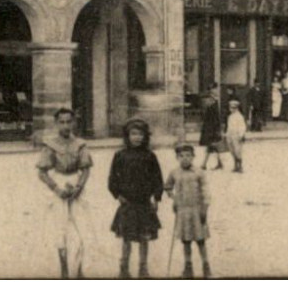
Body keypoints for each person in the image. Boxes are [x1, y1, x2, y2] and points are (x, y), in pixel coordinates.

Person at [36, 106, 94, 278]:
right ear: (56, 124)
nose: (65, 126)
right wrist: (56, 189)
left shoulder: (80, 144)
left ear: (74, 122)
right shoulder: (50, 145)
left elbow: (85, 169)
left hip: (76, 184)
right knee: (59, 229)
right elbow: (42, 172)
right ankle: (64, 270)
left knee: (83, 229)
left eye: (69, 121)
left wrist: (78, 187)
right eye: (61, 122)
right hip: (58, 183)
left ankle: (79, 270)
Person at [107, 117, 164, 278]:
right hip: (128, 203)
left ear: (145, 136)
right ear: (127, 136)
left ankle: (143, 268)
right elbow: (112, 179)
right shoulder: (120, 156)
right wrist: (118, 195)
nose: (137, 137)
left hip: (144, 203)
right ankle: (124, 268)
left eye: (140, 134)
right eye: (133, 134)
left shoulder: (150, 156)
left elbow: (157, 178)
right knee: (126, 238)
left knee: (144, 237)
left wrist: (156, 198)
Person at [164, 141, 211, 278]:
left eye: (188, 155)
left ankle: (206, 266)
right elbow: (167, 186)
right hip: (183, 212)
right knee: (186, 240)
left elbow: (206, 192)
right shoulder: (174, 172)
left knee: (200, 240)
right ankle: (188, 267)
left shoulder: (199, 173)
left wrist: (205, 208)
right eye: (182, 156)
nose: (185, 158)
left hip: (197, 211)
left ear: (193, 157)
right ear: (177, 158)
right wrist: (174, 199)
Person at [198, 82, 224, 170]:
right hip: (210, 127)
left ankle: (205, 164)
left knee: (212, 145)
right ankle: (215, 163)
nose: (217, 90)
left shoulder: (213, 100)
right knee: (212, 145)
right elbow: (210, 116)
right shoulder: (210, 100)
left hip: (212, 126)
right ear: (212, 90)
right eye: (216, 89)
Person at [224, 97, 248, 173]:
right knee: (232, 151)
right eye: (230, 107)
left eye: (233, 108)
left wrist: (241, 135)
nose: (231, 109)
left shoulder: (239, 116)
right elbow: (229, 127)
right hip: (230, 135)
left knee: (238, 151)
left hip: (237, 135)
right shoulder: (230, 116)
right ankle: (235, 165)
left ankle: (240, 166)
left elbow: (242, 127)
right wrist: (226, 135)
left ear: (236, 108)